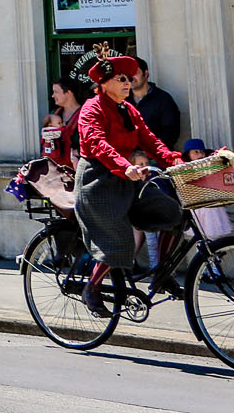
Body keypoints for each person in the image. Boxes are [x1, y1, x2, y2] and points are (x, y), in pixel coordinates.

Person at [74, 52, 184, 312]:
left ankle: (162, 273)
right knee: (120, 242)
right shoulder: (92, 108)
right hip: (98, 181)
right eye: (121, 79)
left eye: (129, 78)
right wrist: (125, 166)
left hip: (128, 177)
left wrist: (172, 159)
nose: (128, 82)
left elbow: (149, 139)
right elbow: (97, 143)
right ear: (104, 84)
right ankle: (92, 287)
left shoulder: (128, 109)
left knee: (173, 215)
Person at [179, 138, 234, 241]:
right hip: (197, 207)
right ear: (189, 155)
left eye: (202, 152)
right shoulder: (186, 169)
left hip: (211, 207)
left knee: (213, 233)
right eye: (196, 152)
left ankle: (213, 249)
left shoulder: (209, 166)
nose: (200, 155)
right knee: (198, 235)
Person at [130, 56, 183, 150]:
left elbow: (171, 133)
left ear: (146, 74)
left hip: (156, 156)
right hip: (127, 156)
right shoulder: (120, 100)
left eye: (135, 72)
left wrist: (148, 153)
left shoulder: (163, 99)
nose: (131, 77)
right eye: (127, 73)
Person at [41, 75, 90, 170]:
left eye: (56, 92)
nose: (53, 96)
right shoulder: (54, 114)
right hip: (55, 171)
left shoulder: (85, 115)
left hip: (78, 169)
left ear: (68, 93)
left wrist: (78, 151)